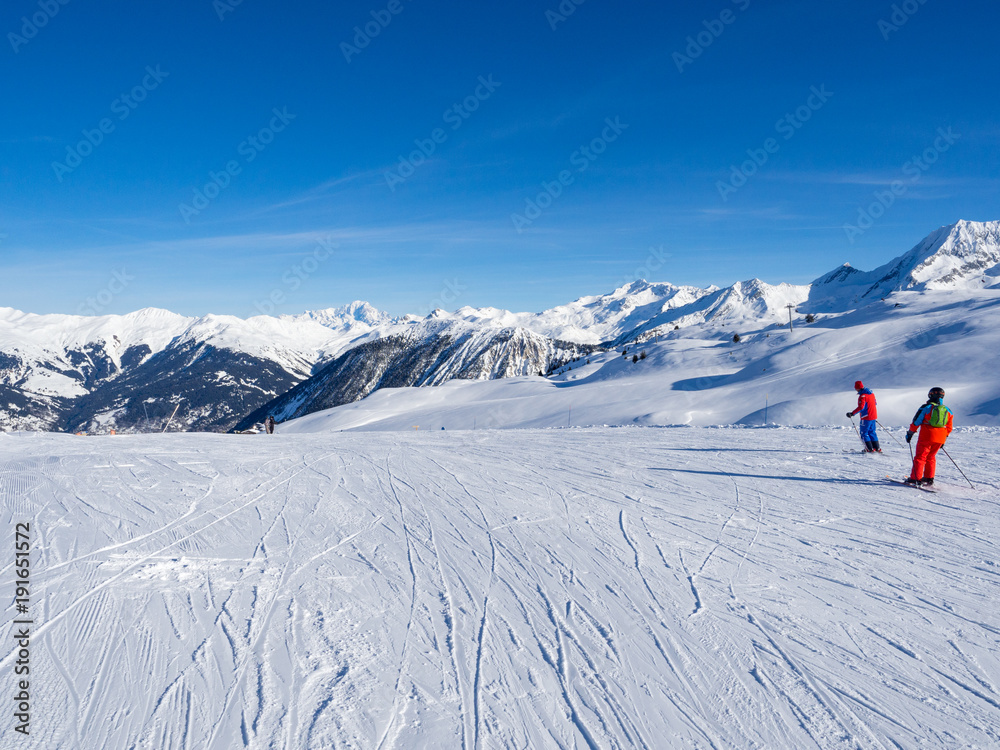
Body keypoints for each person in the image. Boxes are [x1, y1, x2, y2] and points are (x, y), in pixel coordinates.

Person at [905, 387, 953, 486]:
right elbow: (949, 426)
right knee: (931, 457)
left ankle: (915, 479)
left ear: (930, 395)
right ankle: (929, 478)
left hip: (927, 436)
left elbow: (916, 421)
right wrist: (944, 438)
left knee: (920, 457)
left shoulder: (926, 407)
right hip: (940, 438)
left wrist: (910, 433)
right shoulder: (947, 410)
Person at [847, 380, 880, 452]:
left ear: (858, 388)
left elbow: (861, 407)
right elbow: (875, 403)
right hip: (873, 416)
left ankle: (869, 449)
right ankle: (877, 448)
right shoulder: (871, 394)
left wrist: (852, 413)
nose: (855, 389)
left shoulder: (862, 396)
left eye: (855, 388)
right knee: (872, 432)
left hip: (866, 417)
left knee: (864, 433)